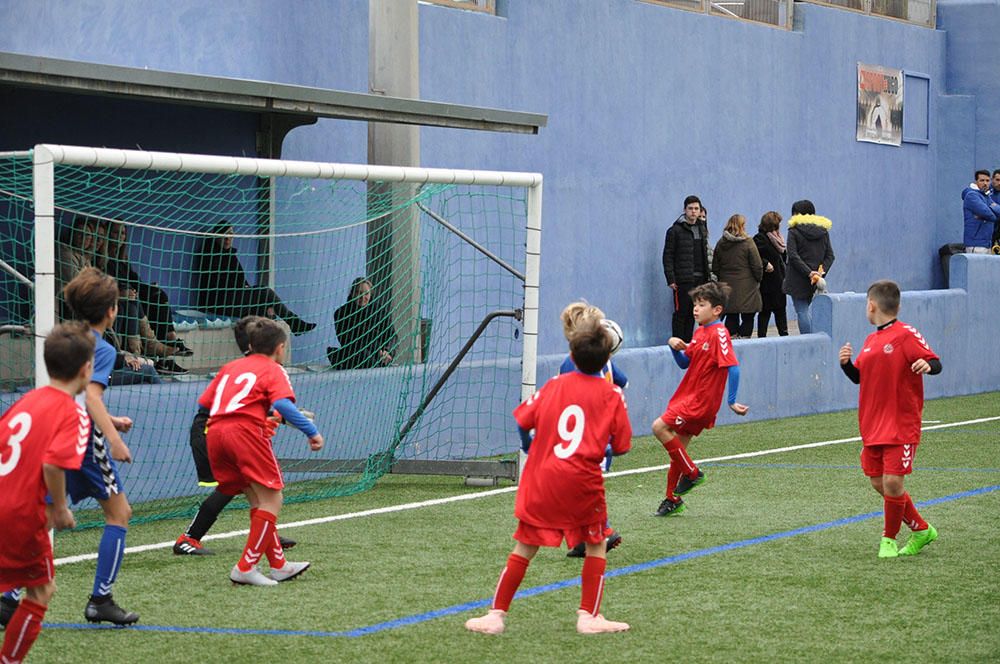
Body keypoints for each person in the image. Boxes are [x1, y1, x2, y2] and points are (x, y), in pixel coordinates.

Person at [464, 316, 632, 635]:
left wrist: (531, 445)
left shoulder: (554, 385)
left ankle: (495, 614)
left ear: (571, 353)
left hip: (542, 479)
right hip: (583, 483)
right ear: (609, 357)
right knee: (596, 544)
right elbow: (622, 446)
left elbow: (523, 421)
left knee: (524, 547)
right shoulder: (612, 395)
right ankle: (589, 616)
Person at [198, 318, 323, 586]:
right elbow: (282, 405)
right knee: (273, 499)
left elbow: (207, 401)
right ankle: (245, 567)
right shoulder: (273, 369)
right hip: (244, 433)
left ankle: (278, 565)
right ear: (280, 348)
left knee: (257, 498)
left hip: (215, 433)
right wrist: (311, 431)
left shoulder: (230, 367)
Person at [0, 323, 94, 662]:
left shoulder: (24, 402)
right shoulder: (73, 413)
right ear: (86, 369)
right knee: (41, 590)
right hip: (21, 514)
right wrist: (60, 510)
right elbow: (54, 464)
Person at [173, 316, 297, 556]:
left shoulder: (246, 368)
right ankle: (188, 538)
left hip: (223, 431)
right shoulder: (245, 369)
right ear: (253, 344)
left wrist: (281, 416)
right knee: (230, 487)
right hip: (212, 430)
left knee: (250, 485)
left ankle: (267, 534)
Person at [838, 280, 942, 558]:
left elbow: (935, 362)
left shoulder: (906, 334)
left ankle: (889, 540)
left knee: (894, 483)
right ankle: (921, 529)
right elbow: (860, 377)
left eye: (865, 304)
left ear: (871, 305)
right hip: (872, 424)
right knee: (877, 482)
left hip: (900, 424)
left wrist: (927, 365)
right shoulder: (871, 340)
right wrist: (847, 364)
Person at [61, 267, 140, 624]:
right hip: (82, 442)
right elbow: (91, 397)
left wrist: (110, 417)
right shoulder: (103, 348)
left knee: (39, 515)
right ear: (112, 310)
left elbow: (75, 395)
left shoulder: (64, 340)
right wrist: (114, 437)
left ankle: (9, 597)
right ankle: (101, 600)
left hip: (54, 433)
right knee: (119, 513)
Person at [652, 282, 749, 517]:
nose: (696, 309)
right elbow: (686, 362)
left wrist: (732, 401)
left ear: (717, 310)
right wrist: (674, 348)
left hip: (700, 401)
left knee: (659, 427)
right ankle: (672, 499)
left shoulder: (719, 333)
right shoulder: (699, 332)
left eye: (702, 304)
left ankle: (693, 474)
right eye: (695, 304)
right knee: (679, 452)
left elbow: (733, 367)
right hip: (689, 396)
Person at [556, 302, 626, 558]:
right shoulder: (606, 363)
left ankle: (603, 531)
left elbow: (566, 401)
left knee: (576, 490)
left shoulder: (570, 363)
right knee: (583, 489)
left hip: (581, 438)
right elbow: (623, 382)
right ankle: (583, 540)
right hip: (601, 436)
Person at [193, 221, 316, 336]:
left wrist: (246, 288)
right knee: (264, 292)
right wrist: (245, 289)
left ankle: (264, 352)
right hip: (219, 301)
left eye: (230, 234)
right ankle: (294, 323)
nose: (227, 238)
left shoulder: (230, 255)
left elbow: (239, 278)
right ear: (216, 236)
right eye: (223, 234)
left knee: (266, 313)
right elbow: (221, 281)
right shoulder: (210, 253)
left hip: (233, 299)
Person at [104, 221, 193, 355]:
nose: (119, 236)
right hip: (117, 298)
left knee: (158, 294)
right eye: (115, 232)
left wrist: (149, 288)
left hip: (129, 293)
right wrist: (122, 292)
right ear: (108, 234)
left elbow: (134, 280)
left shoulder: (122, 258)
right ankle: (147, 347)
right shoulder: (102, 259)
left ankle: (170, 339)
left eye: (122, 233)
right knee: (133, 301)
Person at [662, 195, 711, 341]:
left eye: (696, 209)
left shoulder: (702, 229)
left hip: (700, 279)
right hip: (683, 280)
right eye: (690, 208)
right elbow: (668, 256)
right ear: (685, 210)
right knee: (681, 312)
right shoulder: (675, 231)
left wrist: (707, 277)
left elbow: (705, 254)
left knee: (694, 313)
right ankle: (677, 343)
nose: (693, 212)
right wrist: (671, 278)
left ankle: (688, 345)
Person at [782, 200, 834, 335]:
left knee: (802, 311)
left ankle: (810, 341)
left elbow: (793, 255)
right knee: (807, 311)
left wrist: (808, 272)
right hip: (816, 280)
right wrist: (820, 273)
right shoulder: (823, 231)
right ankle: (815, 338)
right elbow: (830, 256)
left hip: (797, 277)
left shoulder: (793, 231)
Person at [327, 277, 397, 369]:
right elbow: (347, 340)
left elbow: (392, 335)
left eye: (366, 294)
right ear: (352, 294)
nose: (362, 297)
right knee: (361, 354)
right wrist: (376, 349)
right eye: (358, 293)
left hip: (378, 356)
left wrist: (387, 351)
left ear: (371, 294)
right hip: (355, 355)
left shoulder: (380, 311)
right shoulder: (341, 313)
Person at [711, 214, 763, 339]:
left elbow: (715, 267)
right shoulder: (748, 243)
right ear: (742, 226)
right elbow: (757, 265)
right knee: (748, 315)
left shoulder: (721, 243)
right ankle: (744, 338)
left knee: (731, 315)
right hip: (747, 286)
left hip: (727, 285)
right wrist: (758, 279)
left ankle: (732, 340)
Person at [753, 211, 789, 337]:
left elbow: (783, 257)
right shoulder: (760, 238)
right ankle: (761, 337)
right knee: (765, 312)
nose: (778, 227)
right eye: (776, 225)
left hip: (779, 281)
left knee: (781, 311)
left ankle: (784, 336)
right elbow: (755, 257)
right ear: (770, 225)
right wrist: (765, 263)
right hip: (767, 283)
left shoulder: (778, 238)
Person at [961, 170, 999, 254]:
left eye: (987, 180)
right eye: (982, 180)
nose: (985, 183)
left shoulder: (986, 196)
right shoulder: (972, 195)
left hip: (987, 243)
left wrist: (991, 209)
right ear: (976, 181)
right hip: (975, 243)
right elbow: (988, 214)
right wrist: (993, 215)